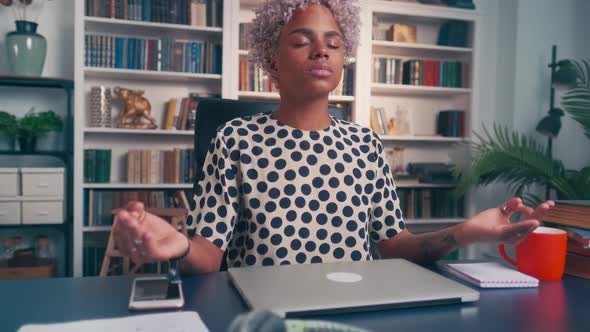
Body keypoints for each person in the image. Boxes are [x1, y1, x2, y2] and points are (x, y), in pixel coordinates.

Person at [112, 0, 554, 274]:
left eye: (334, 42)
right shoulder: (235, 140)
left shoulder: (365, 144)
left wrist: (462, 234)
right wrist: (179, 246)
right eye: (301, 41)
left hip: (354, 312)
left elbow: (393, 246)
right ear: (270, 57)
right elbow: (209, 253)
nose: (321, 50)